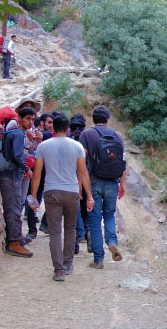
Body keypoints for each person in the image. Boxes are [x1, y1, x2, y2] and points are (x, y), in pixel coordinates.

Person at [28, 112, 94, 282]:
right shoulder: (77, 146)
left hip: (51, 192)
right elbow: (83, 172)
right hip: (72, 192)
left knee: (55, 232)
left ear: (52, 127)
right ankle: (68, 263)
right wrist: (89, 196)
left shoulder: (43, 146)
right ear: (68, 128)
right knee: (71, 229)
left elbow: (37, 174)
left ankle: (58, 270)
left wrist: (34, 195)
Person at [79, 106, 126, 268]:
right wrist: (122, 184)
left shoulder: (86, 134)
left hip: (93, 183)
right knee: (109, 215)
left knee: (94, 219)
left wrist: (80, 185)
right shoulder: (117, 135)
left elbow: (82, 162)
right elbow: (122, 161)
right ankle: (112, 241)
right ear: (108, 119)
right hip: (113, 182)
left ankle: (99, 259)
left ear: (93, 119)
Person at [0, 106, 37, 257]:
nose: (30, 122)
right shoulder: (18, 134)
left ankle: (14, 238)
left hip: (9, 175)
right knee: (14, 208)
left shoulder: (15, 133)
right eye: (28, 119)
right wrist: (26, 168)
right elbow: (17, 155)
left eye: (33, 120)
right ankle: (14, 242)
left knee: (13, 207)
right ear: (19, 119)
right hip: (12, 176)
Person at [68, 113, 89, 256]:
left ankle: (74, 244)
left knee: (72, 214)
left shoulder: (67, 140)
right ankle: (89, 235)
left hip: (70, 182)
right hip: (87, 180)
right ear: (84, 126)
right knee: (86, 212)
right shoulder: (88, 139)